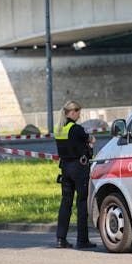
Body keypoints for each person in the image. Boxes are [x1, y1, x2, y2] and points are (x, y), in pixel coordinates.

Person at [54, 100, 96, 249]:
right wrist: (91, 142)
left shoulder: (58, 129)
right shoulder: (77, 129)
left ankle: (61, 238)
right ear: (72, 112)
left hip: (65, 168)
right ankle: (82, 240)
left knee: (66, 203)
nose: (79, 114)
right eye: (78, 111)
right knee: (82, 203)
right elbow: (89, 141)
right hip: (79, 168)